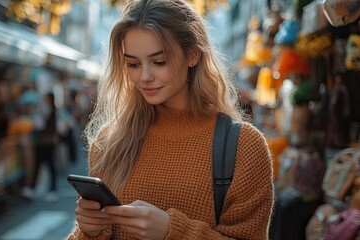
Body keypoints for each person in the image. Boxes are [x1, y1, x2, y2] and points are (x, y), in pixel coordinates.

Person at [68, 0, 274, 239]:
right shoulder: (109, 141)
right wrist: (89, 232)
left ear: (193, 54)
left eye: (159, 62)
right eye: (133, 64)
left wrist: (172, 231)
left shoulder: (244, 146)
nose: (144, 76)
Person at [22, 92, 59, 202]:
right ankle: (32, 188)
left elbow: (42, 126)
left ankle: (52, 190)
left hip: (48, 143)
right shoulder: (43, 110)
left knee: (50, 166)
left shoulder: (51, 111)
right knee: (38, 165)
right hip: (41, 143)